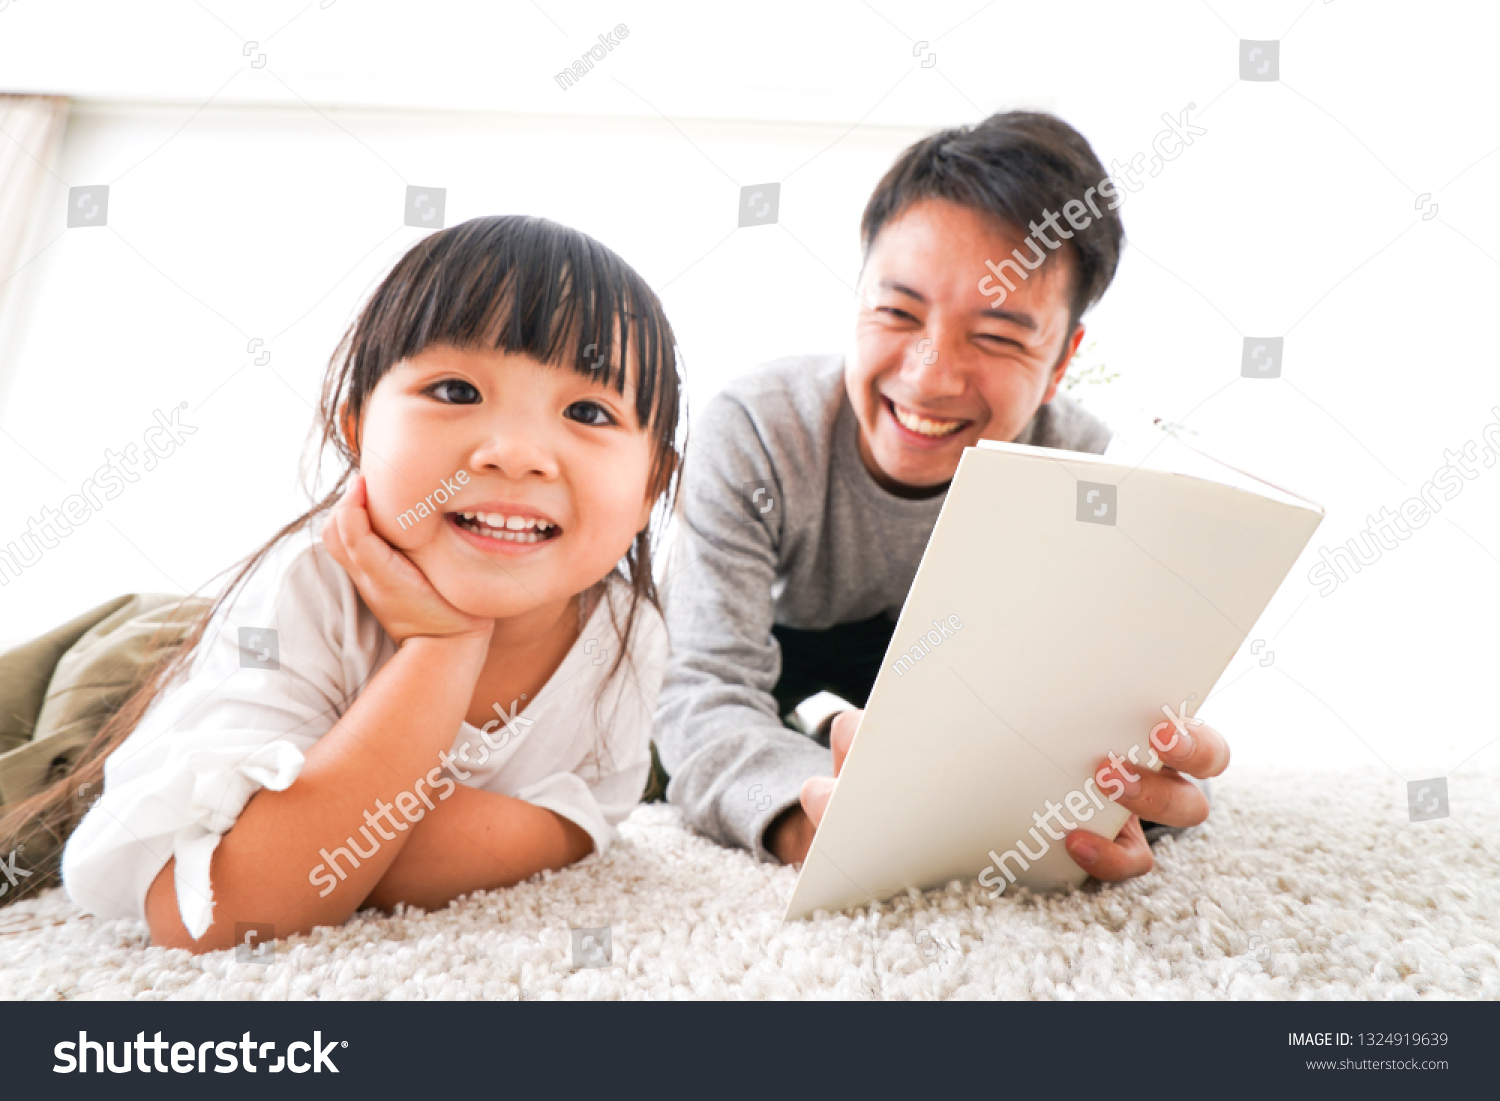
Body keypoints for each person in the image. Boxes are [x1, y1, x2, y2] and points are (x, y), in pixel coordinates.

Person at [0, 215, 683, 952]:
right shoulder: (301, 590)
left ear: (653, 485)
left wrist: (338, 831)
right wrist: (441, 647)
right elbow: (214, 908)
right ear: (355, 427)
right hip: (128, 663)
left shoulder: (623, 634)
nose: (515, 453)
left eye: (588, 411)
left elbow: (577, 827)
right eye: (455, 389)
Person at [655, 111, 1228, 877]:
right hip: (786, 677)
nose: (928, 375)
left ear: (1061, 362)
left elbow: (1080, 723)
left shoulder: (1084, 470)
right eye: (897, 311)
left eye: (996, 335)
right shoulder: (758, 430)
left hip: (958, 702)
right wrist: (811, 819)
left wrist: (1127, 797)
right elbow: (703, 690)